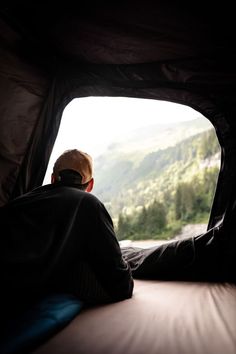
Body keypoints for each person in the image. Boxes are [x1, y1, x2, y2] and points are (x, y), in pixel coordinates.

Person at [0, 149, 133, 305]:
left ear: (52, 179)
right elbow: (122, 287)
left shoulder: (17, 203)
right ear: (90, 184)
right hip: (22, 298)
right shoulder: (87, 203)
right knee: (123, 258)